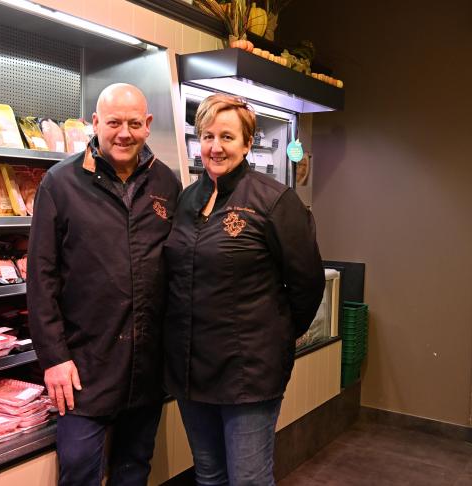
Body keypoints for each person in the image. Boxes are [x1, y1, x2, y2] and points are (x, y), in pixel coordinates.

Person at [163, 93, 325, 486]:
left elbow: (307, 283)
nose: (215, 147)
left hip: (248, 374)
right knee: (209, 476)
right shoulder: (187, 198)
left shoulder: (274, 200)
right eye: (207, 136)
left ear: (247, 143)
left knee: (249, 480)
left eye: (227, 137)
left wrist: (276, 337)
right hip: (191, 368)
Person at [27, 83, 180, 486]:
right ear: (95, 123)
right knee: (79, 470)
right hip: (82, 367)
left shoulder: (167, 184)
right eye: (113, 123)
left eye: (133, 123)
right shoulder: (60, 184)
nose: (124, 133)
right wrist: (54, 358)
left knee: (135, 469)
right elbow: (40, 278)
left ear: (148, 125)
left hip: (146, 366)